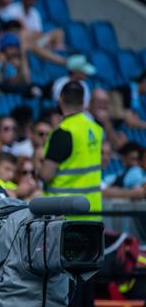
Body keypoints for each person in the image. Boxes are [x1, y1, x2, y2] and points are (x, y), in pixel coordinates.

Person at [39, 81, 103, 218]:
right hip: (93, 211)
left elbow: (46, 174)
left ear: (60, 99)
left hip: (64, 214)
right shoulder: (96, 129)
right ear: (83, 102)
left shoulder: (63, 132)